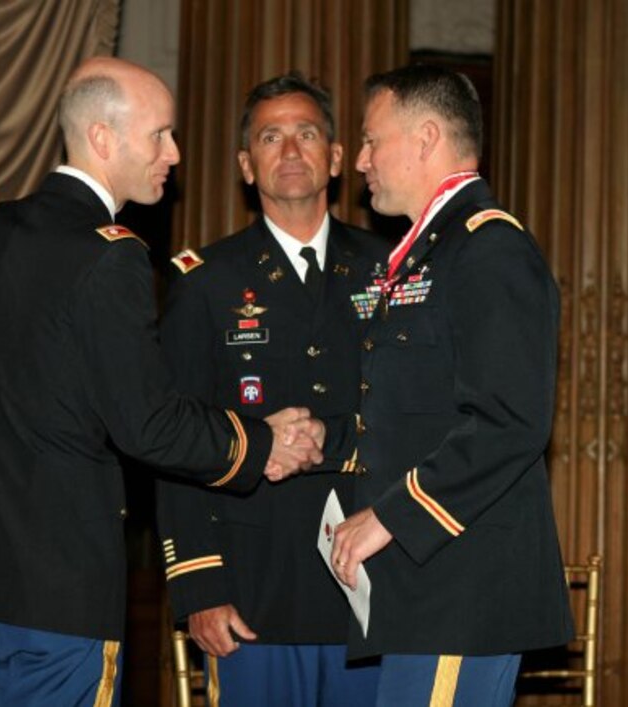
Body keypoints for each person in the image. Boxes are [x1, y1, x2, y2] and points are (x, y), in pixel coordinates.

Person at [0, 57, 325, 707]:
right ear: (103, 138)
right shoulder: (109, 253)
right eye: (159, 134)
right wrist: (261, 444)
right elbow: (148, 422)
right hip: (54, 591)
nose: (175, 153)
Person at [328, 64, 574, 705]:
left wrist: (391, 515)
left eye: (371, 139)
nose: (359, 160)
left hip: (463, 589)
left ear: (426, 137)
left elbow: (510, 420)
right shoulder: (428, 251)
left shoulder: (487, 248)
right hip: (423, 587)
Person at [156, 72, 389, 706]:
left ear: (337, 157)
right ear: (246, 164)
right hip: (253, 588)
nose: (290, 151)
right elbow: (176, 438)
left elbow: (417, 416)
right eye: (270, 137)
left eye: (306, 134)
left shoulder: (390, 269)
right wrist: (200, 585)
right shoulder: (205, 281)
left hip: (370, 581)